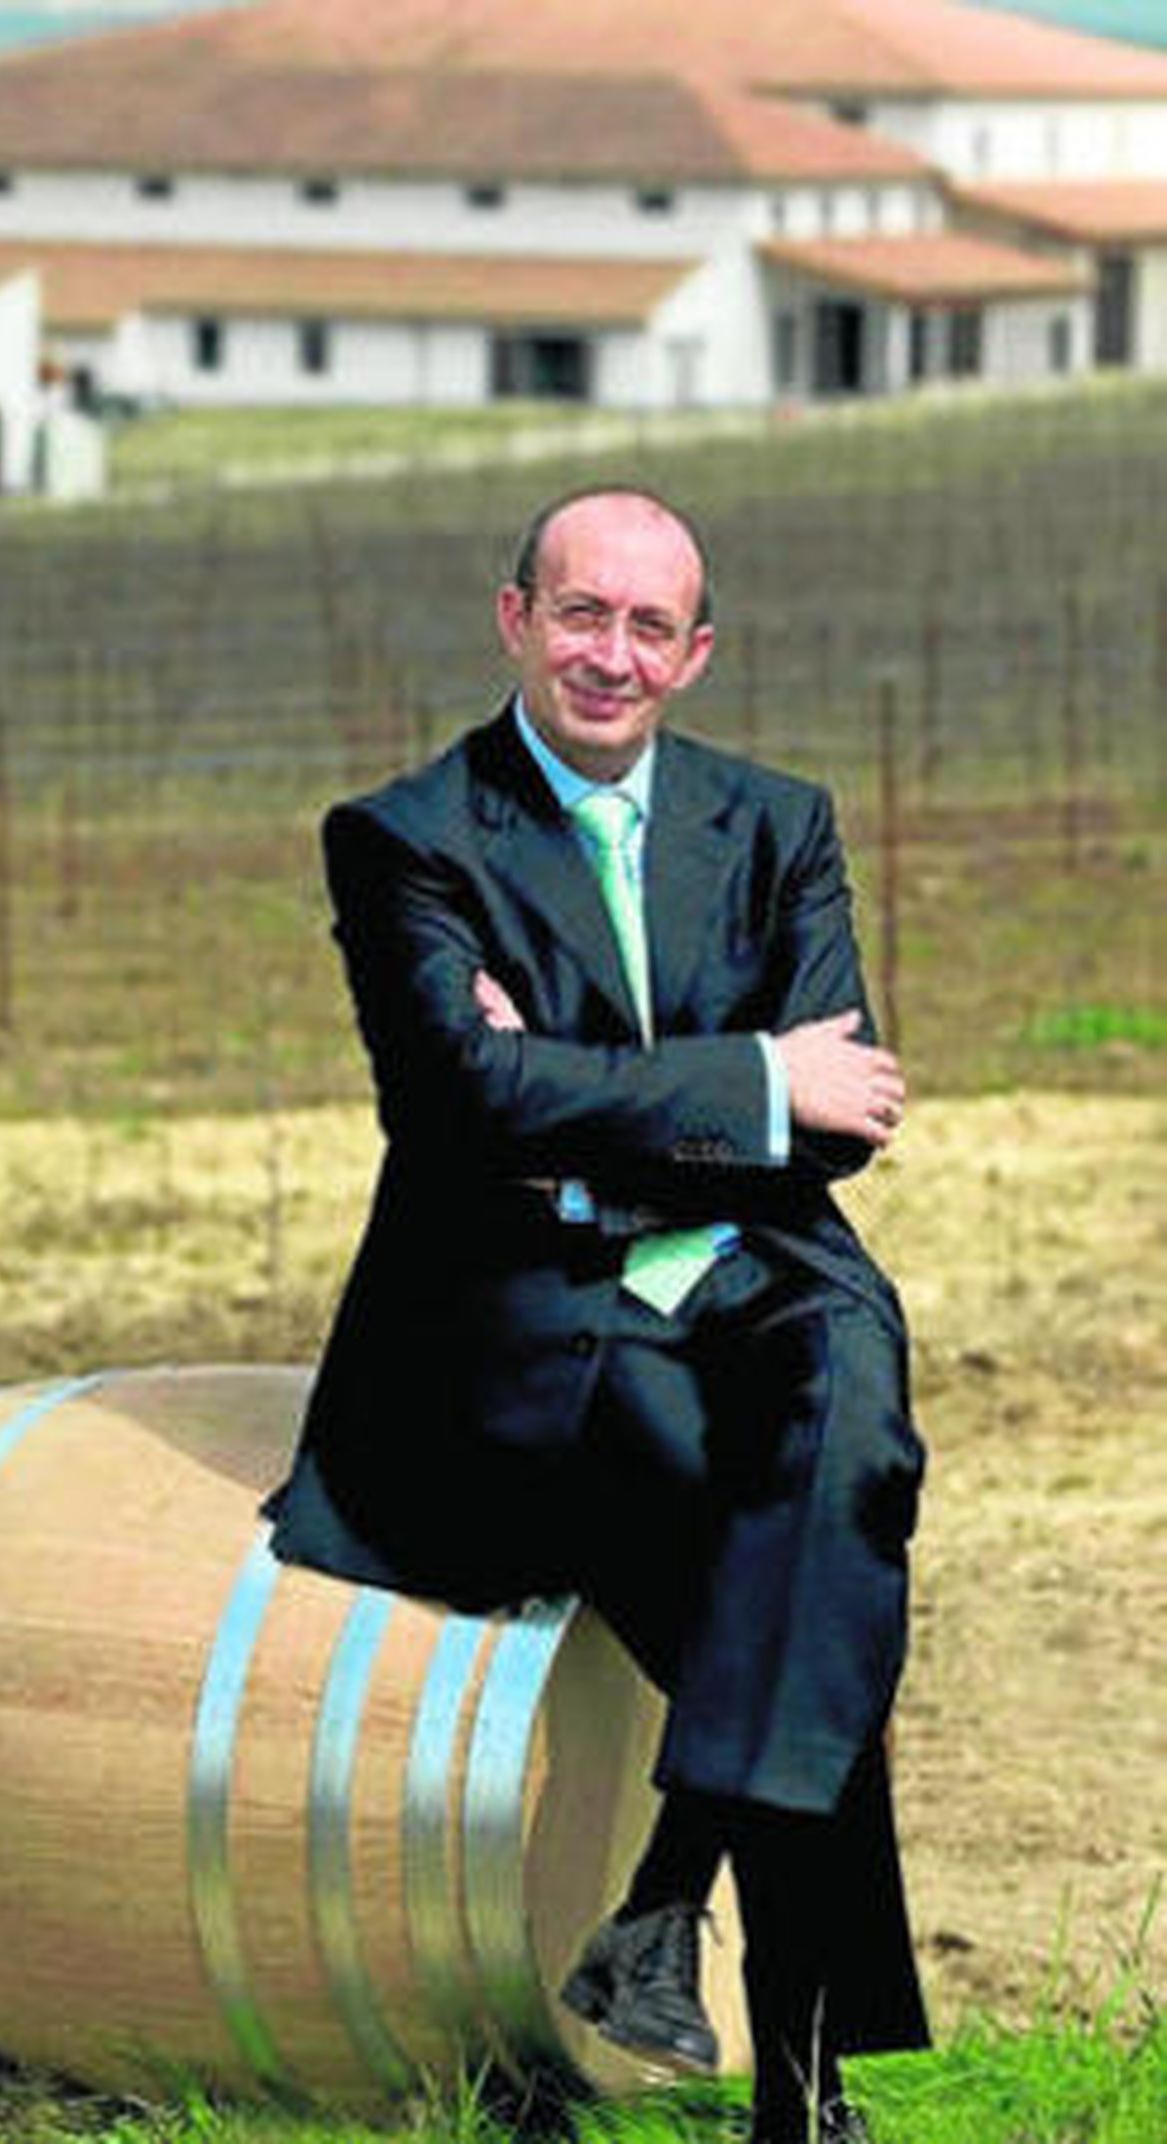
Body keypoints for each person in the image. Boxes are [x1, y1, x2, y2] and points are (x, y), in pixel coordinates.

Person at [261, 486, 928, 2144]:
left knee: (848, 1425)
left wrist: (577, 1091)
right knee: (776, 1560)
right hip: (526, 1317)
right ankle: (800, 2094)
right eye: (580, 614)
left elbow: (845, 1117)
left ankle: (664, 1897)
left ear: (696, 654)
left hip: (756, 1274)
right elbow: (455, 1105)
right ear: (516, 622)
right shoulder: (407, 837)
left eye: (647, 627)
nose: (610, 656)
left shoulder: (777, 825)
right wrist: (747, 1077)